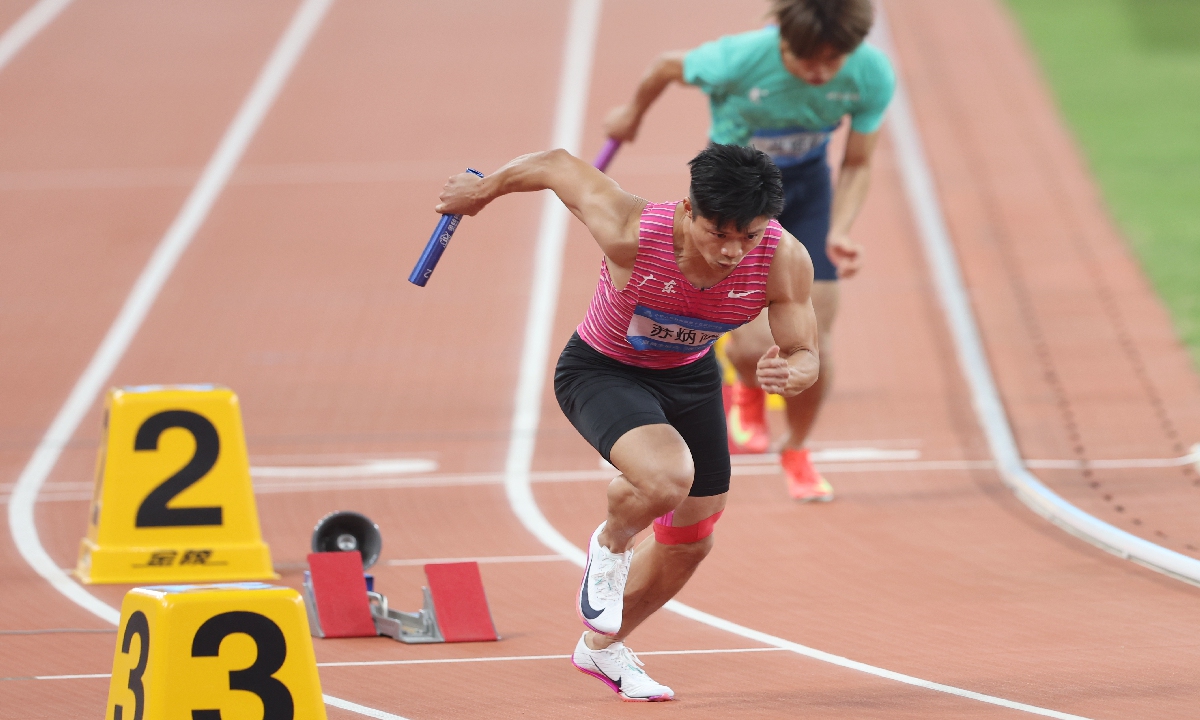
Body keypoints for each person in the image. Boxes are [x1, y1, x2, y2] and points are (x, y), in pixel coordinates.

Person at [435, 144, 818, 701]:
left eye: (749, 236)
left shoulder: (783, 258)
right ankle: (612, 541)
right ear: (688, 210)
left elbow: (804, 350)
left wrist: (796, 371)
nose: (732, 251)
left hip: (689, 377)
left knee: (691, 540)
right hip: (602, 371)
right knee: (665, 478)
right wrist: (483, 190)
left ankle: (601, 648)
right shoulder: (631, 230)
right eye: (719, 233)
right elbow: (556, 165)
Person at [604, 0, 895, 502]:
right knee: (753, 346)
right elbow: (666, 66)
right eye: (807, 60)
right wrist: (632, 113)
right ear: (783, 40)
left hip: (806, 193)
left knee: (816, 344)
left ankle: (796, 448)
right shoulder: (737, 60)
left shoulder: (870, 72)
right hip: (735, 203)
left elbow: (857, 162)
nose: (821, 73)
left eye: (833, 60)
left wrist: (840, 230)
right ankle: (745, 384)